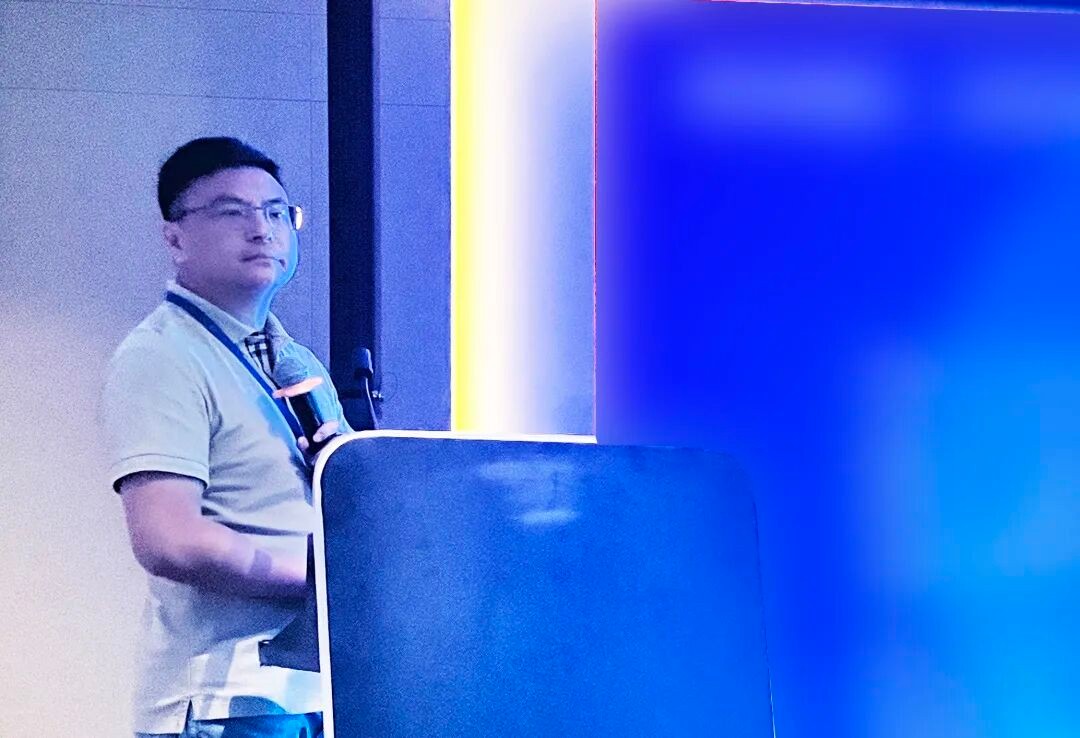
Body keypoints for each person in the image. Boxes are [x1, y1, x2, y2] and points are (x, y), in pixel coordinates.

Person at [100, 137, 348, 737]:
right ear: (175, 237)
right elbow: (169, 539)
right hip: (224, 697)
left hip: (313, 686)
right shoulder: (163, 355)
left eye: (277, 212)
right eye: (232, 212)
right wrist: (321, 574)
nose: (262, 230)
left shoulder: (295, 363)